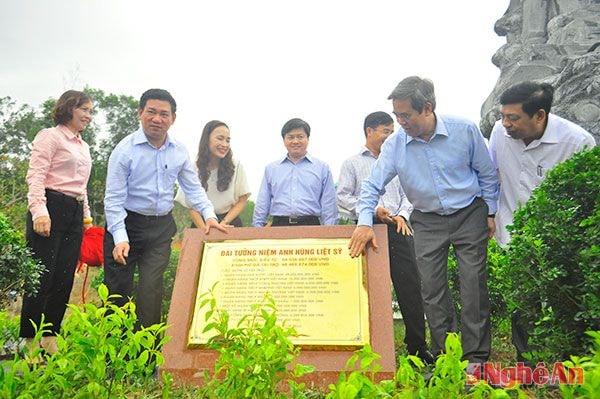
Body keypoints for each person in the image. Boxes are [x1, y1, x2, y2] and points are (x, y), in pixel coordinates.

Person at [348, 76, 499, 364]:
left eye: (405, 115)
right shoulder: (395, 145)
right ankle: (447, 357)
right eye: (396, 115)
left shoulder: (464, 130)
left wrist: (490, 212)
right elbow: (371, 186)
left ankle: (476, 358)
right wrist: (365, 222)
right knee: (432, 290)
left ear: (427, 108)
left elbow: (487, 174)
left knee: (473, 284)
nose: (400, 121)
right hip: (427, 221)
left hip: (469, 213)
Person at [489, 81, 596, 361]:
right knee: (523, 304)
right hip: (513, 233)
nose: (505, 123)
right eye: (502, 116)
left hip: (559, 238)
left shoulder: (577, 142)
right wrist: (489, 215)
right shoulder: (500, 134)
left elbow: (585, 196)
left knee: (565, 304)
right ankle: (528, 364)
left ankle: (571, 363)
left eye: (513, 118)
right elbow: (490, 176)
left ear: (539, 115)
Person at [104, 88, 227, 328]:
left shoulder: (179, 150)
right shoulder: (124, 150)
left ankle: (147, 359)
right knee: (118, 292)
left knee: (151, 291)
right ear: (140, 113)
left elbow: (193, 188)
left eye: (164, 114)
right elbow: (113, 198)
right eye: (151, 112)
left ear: (173, 118)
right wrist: (120, 237)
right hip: (126, 225)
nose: (157, 119)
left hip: (160, 228)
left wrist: (210, 215)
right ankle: (112, 361)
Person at [337, 111, 433, 364]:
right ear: (369, 131)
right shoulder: (352, 163)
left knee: (410, 287)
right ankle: (366, 346)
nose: (391, 136)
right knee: (364, 290)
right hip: (365, 230)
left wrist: (401, 214)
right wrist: (369, 210)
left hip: (398, 228)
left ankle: (417, 347)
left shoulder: (399, 160)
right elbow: (344, 196)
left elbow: (408, 193)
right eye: (386, 131)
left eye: (393, 131)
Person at [20, 90, 94, 355]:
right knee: (42, 277)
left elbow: (81, 186)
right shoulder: (50, 136)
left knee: (64, 279)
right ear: (69, 108)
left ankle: (50, 338)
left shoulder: (83, 146)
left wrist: (86, 218)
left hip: (73, 211)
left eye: (90, 111)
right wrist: (39, 211)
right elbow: (36, 175)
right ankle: (29, 342)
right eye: (84, 109)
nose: (88, 116)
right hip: (49, 207)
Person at [253, 118, 338, 227]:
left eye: (300, 136)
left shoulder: (322, 168)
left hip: (311, 225)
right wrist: (257, 228)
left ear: (308, 138)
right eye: (290, 137)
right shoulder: (271, 169)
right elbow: (262, 202)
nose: (295, 141)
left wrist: (329, 231)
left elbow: (329, 205)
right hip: (279, 225)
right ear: (284, 140)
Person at [175, 120, 250, 227]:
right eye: (220, 139)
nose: (224, 144)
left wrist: (224, 222)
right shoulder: (192, 168)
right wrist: (204, 228)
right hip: (201, 224)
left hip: (229, 223)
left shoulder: (236, 166)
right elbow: (191, 206)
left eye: (228, 140)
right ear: (206, 140)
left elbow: (242, 200)